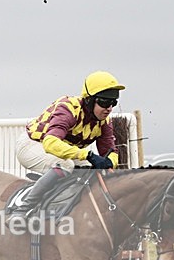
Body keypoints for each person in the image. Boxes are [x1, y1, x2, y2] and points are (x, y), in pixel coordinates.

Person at [11, 70, 123, 217]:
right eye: (104, 102)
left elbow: (111, 151)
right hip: (33, 145)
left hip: (61, 151)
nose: (109, 108)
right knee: (67, 165)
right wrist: (87, 154)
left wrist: (109, 162)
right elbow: (51, 143)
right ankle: (23, 209)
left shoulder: (104, 122)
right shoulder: (68, 108)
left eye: (113, 103)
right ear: (89, 100)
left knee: (90, 171)